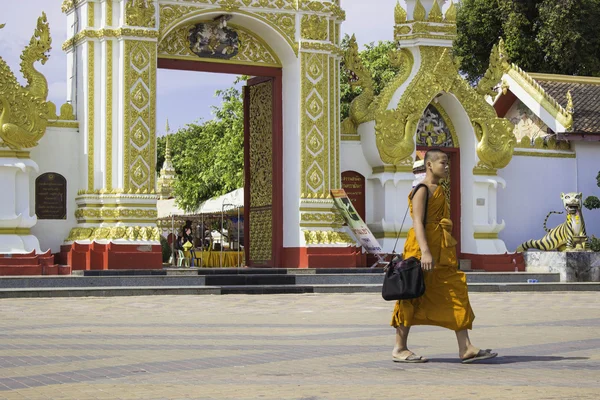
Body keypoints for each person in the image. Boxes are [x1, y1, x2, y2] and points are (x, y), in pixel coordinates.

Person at [390, 149, 497, 364]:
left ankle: (465, 347)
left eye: (447, 163)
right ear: (429, 165)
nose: (446, 167)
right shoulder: (422, 190)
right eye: (442, 163)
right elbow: (418, 222)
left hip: (442, 252)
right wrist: (426, 252)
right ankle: (399, 348)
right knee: (411, 295)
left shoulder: (439, 189)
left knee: (455, 292)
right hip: (423, 251)